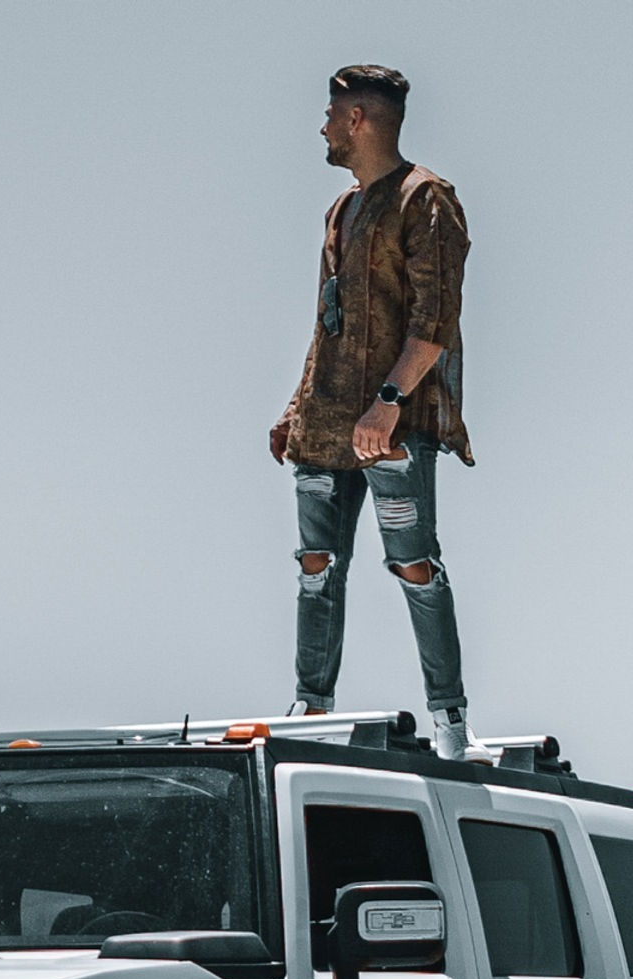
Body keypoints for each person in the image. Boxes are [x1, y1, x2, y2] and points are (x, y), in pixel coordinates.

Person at [270, 65, 478, 758]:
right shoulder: (341, 210)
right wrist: (297, 409)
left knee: (413, 563)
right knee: (316, 565)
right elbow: (326, 321)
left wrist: (388, 403)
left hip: (392, 429)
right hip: (326, 426)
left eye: (331, 114)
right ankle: (311, 705)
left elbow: (434, 321)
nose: (323, 127)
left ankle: (449, 718)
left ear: (357, 119)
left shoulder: (427, 200)